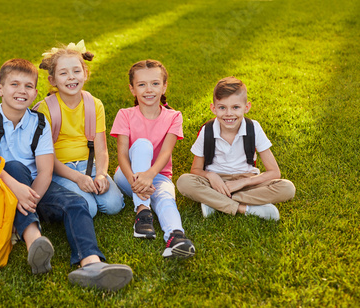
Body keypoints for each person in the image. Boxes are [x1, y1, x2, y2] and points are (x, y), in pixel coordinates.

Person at [0, 58, 132, 291]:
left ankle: (91, 263)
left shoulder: (39, 122)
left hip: (36, 188)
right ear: (0, 89)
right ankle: (34, 241)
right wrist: (17, 189)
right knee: (15, 167)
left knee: (76, 203)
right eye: (14, 85)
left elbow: (46, 171)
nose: (21, 91)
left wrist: (31, 199)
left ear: (35, 93)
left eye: (28, 86)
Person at [176, 77, 296, 220]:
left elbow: (274, 172)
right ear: (213, 108)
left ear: (247, 107)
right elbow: (195, 170)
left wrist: (243, 182)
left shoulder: (254, 128)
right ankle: (243, 208)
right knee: (184, 182)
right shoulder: (207, 131)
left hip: (247, 181)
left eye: (235, 107)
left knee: (287, 188)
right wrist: (211, 176)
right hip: (216, 183)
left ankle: (215, 202)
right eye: (222, 107)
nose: (229, 114)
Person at [111, 59, 196, 258]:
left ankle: (176, 237)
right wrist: (138, 179)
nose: (149, 90)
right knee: (142, 145)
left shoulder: (174, 116)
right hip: (127, 175)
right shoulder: (125, 114)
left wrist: (150, 176)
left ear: (164, 86)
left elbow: (166, 152)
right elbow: (122, 155)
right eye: (142, 85)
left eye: (155, 83)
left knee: (165, 199)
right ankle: (142, 211)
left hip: (159, 175)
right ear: (132, 89)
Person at [35, 40, 124, 218]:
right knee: (87, 208)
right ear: (52, 80)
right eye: (63, 73)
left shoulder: (95, 105)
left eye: (76, 71)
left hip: (89, 165)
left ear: (85, 73)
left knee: (114, 205)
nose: (71, 77)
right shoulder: (46, 109)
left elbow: (101, 149)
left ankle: (91, 185)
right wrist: (77, 178)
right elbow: (47, 158)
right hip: (59, 169)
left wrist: (100, 175)